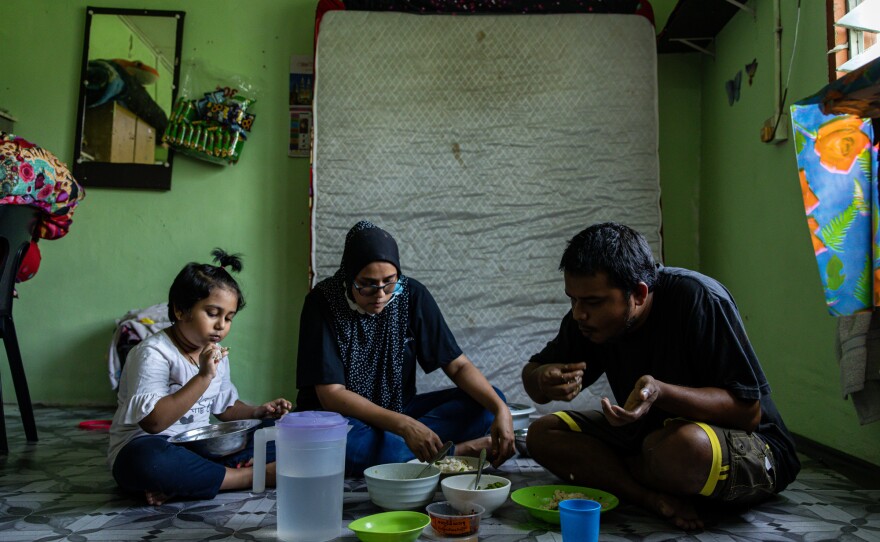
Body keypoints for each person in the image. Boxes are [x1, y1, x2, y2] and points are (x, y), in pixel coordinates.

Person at [522, 222, 800, 530]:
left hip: (750, 445)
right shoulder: (588, 320)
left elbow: (747, 413)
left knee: (681, 450)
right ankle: (649, 496)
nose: (578, 314)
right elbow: (534, 382)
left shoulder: (699, 298)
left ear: (639, 294)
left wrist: (661, 392)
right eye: (572, 299)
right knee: (543, 434)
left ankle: (627, 472)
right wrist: (541, 378)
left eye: (592, 302)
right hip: (649, 438)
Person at [296, 220, 515, 476]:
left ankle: (409, 450)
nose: (380, 295)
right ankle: (456, 452)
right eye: (366, 285)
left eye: (389, 282)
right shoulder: (322, 303)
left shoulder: (411, 295)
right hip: (341, 420)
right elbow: (332, 395)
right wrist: (405, 426)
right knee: (346, 446)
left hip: (399, 410)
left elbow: (458, 365)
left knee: (489, 401)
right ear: (349, 276)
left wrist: (502, 410)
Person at [108, 249, 292, 505]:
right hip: (150, 446)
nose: (221, 325)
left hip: (200, 451)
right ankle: (248, 476)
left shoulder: (215, 353)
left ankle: (190, 482)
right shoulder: (152, 353)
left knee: (281, 433)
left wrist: (259, 411)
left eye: (229, 318)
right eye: (212, 313)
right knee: (148, 464)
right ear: (181, 310)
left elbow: (225, 409)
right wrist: (203, 376)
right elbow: (153, 424)